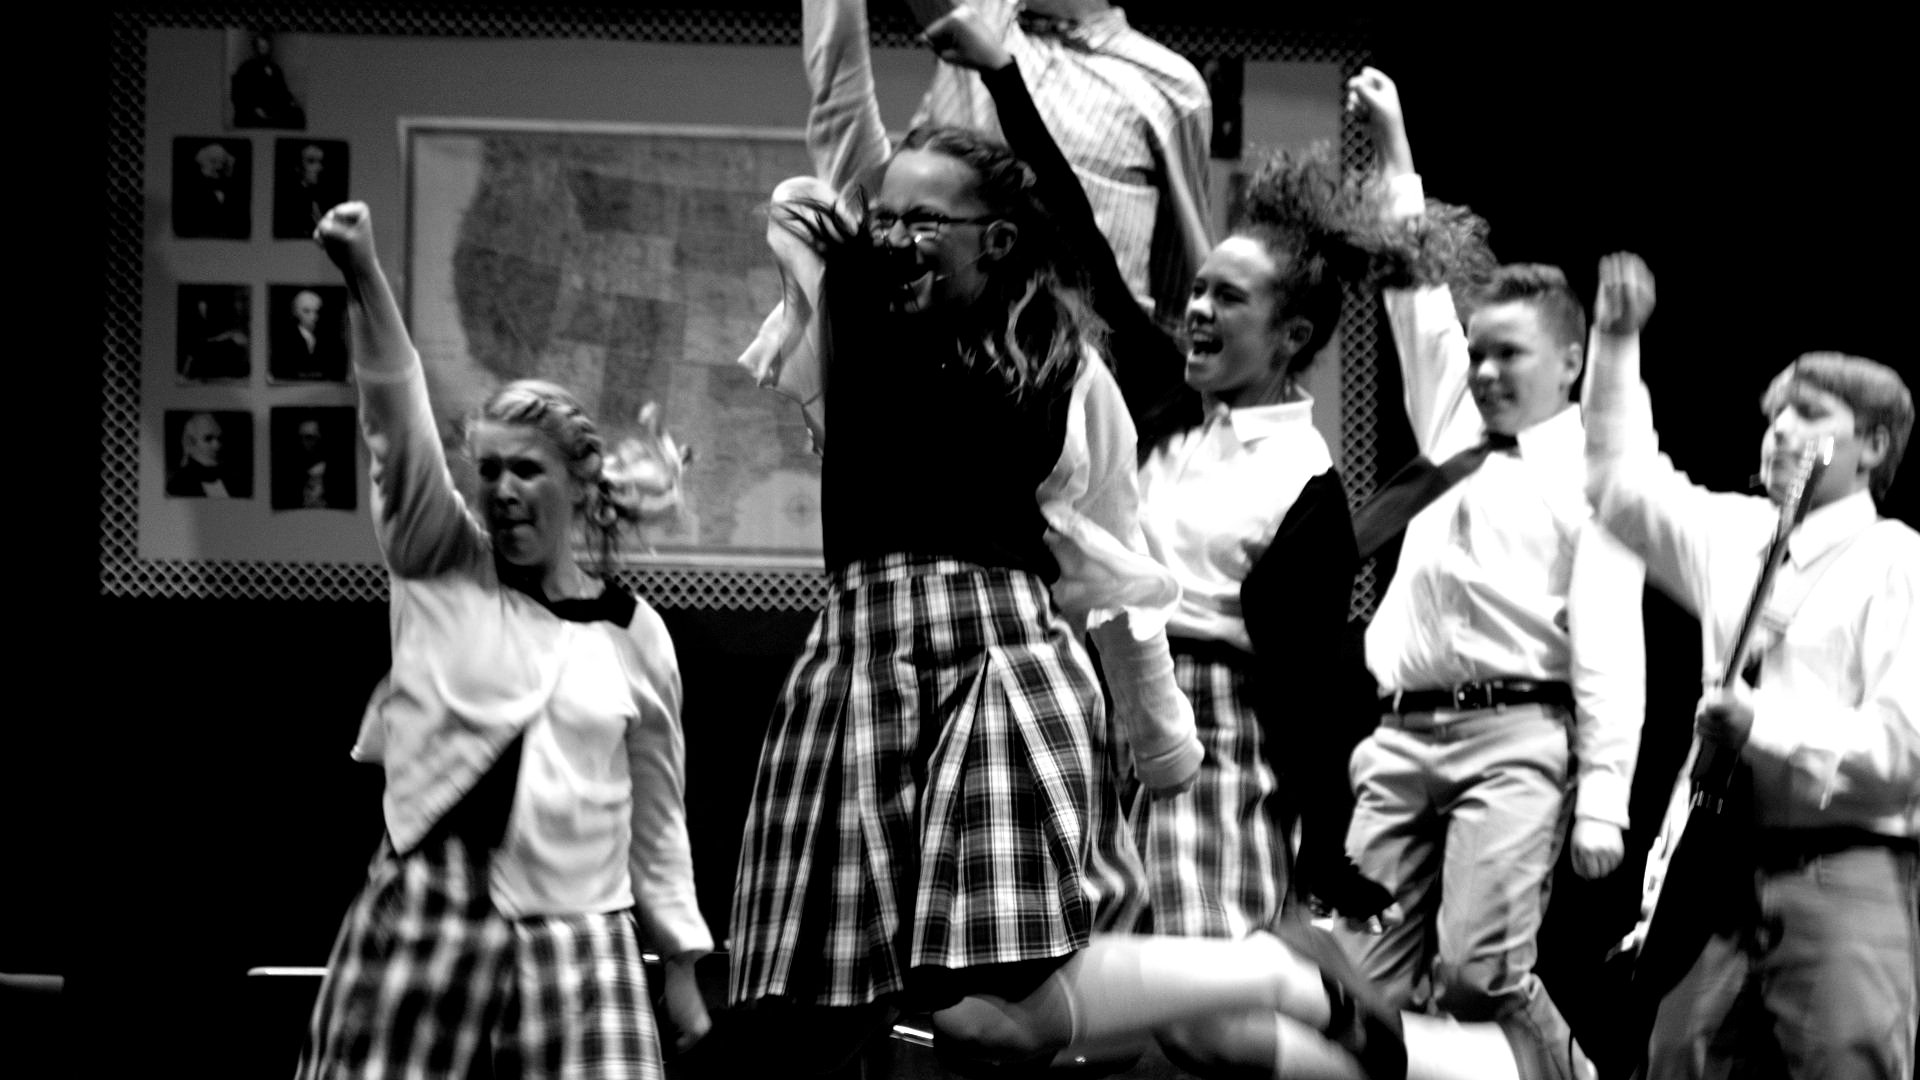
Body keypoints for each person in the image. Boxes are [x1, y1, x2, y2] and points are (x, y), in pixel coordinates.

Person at [295, 201, 713, 1079]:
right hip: (429, 910)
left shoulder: (637, 634)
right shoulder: (440, 563)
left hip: (583, 938)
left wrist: (680, 970)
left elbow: (659, 819)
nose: (504, 490)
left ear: (577, 482)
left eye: (527, 469)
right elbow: (394, 423)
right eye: (488, 471)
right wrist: (364, 272)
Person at [1335, 68, 1646, 1077]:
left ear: (1569, 366)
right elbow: (1417, 290)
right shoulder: (1452, 429)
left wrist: (1602, 795)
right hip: (1402, 732)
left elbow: (1610, 637)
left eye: (1509, 357)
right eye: (1478, 356)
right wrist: (1392, 149)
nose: (1483, 373)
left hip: (1516, 733)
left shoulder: (1599, 478)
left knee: (1478, 971)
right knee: (1360, 984)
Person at [1582, 253, 1918, 1080]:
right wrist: (1617, 339)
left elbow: (1904, 752)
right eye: (1773, 415)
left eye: (1808, 415)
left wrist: (1759, 724)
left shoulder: (1895, 561)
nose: (1779, 431)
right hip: (1716, 871)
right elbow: (1618, 486)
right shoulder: (1736, 537)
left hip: (1842, 867)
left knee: (1848, 1065)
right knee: (1675, 1063)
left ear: (1872, 444)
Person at [806, 0, 1211, 331]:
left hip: (1086, 360)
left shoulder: (1170, 84)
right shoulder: (977, 17)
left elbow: (1183, 285)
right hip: (946, 338)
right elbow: (840, 101)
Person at [174, 139, 249, 239]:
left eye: (223, 162)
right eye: (213, 162)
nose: (219, 167)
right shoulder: (192, 191)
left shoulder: (234, 190)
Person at [167, 410, 249, 498]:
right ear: (191, 442)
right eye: (208, 439)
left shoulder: (234, 480)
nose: (217, 446)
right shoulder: (178, 485)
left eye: (220, 438)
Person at [231, 32, 306, 128]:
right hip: (253, 109)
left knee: (298, 114)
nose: (264, 50)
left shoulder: (276, 68)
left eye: (266, 47)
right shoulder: (246, 68)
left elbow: (283, 90)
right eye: (261, 47)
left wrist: (291, 101)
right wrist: (254, 108)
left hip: (273, 107)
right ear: (255, 49)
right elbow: (239, 94)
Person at [271, 287, 347, 381]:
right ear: (296, 313)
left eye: (316, 311)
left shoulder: (330, 341)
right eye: (307, 311)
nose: (313, 317)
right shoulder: (284, 340)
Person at [275, 141, 344, 239]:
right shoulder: (287, 202)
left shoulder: (327, 199)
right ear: (297, 167)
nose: (319, 168)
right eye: (311, 161)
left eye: (321, 162)